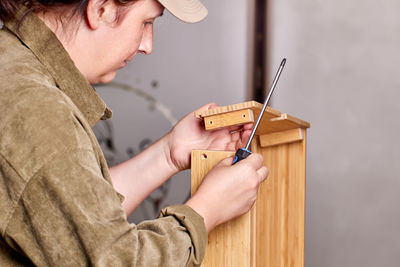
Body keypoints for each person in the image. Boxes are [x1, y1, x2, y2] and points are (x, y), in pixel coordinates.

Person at [0, 0, 269, 265]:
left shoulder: (12, 67)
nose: (147, 45)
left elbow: (69, 215)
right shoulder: (39, 110)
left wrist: (168, 154)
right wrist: (207, 209)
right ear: (101, 8)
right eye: (147, 22)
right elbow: (118, 260)